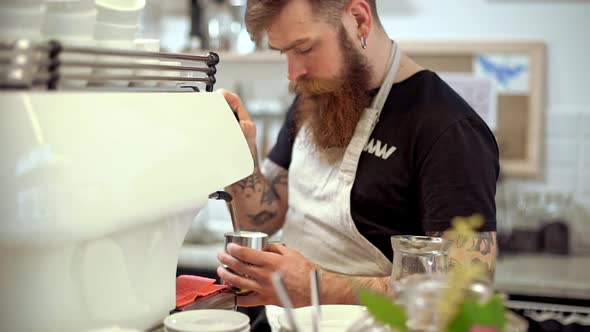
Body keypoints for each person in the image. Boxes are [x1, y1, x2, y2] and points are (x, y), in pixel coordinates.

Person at [216, 0, 499, 310]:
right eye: (284, 52)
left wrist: (318, 287)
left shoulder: (447, 128)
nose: (292, 73)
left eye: (305, 48)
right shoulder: (315, 98)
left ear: (359, 19)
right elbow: (264, 219)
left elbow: (467, 294)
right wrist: (240, 153)